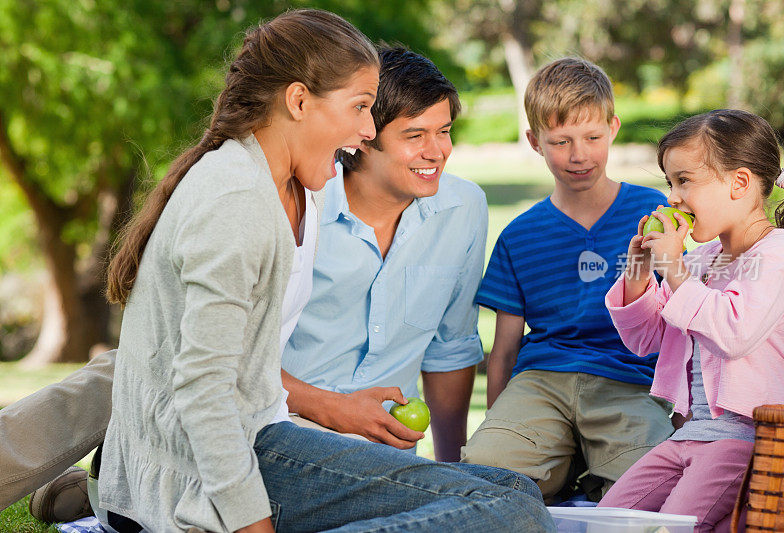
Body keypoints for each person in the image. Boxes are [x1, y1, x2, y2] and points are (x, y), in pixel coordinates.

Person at [7, 11, 556, 532]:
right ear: (298, 101)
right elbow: (205, 393)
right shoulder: (236, 199)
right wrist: (251, 520)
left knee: (515, 496)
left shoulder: (296, 191)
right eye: (361, 107)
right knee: (511, 512)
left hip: (264, 439)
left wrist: (349, 417)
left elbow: (241, 371)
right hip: (222, 466)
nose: (367, 130)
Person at [460, 57, 674, 502]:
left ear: (613, 128)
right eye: (560, 141)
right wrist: (503, 422)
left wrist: (679, 414)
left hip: (630, 381)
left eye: (592, 137)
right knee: (487, 477)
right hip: (542, 381)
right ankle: (567, 462)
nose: (579, 155)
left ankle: (584, 469)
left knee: (656, 486)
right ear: (534, 142)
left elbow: (682, 315)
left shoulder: (653, 212)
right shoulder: (519, 235)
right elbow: (503, 351)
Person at [281, 45, 486, 461]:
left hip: (389, 454)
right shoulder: (300, 207)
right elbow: (240, 359)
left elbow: (451, 347)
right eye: (414, 135)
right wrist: (340, 412)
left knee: (506, 498)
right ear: (362, 139)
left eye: (443, 131)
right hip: (285, 433)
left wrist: (450, 471)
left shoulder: (464, 209)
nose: (437, 151)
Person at [598, 109, 784, 532]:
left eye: (684, 181)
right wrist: (639, 271)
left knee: (674, 526)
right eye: (670, 183)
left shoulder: (778, 252)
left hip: (743, 437)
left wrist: (674, 269)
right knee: (610, 520)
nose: (672, 197)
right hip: (689, 433)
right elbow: (647, 338)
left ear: (739, 183)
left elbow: (735, 331)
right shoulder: (704, 259)